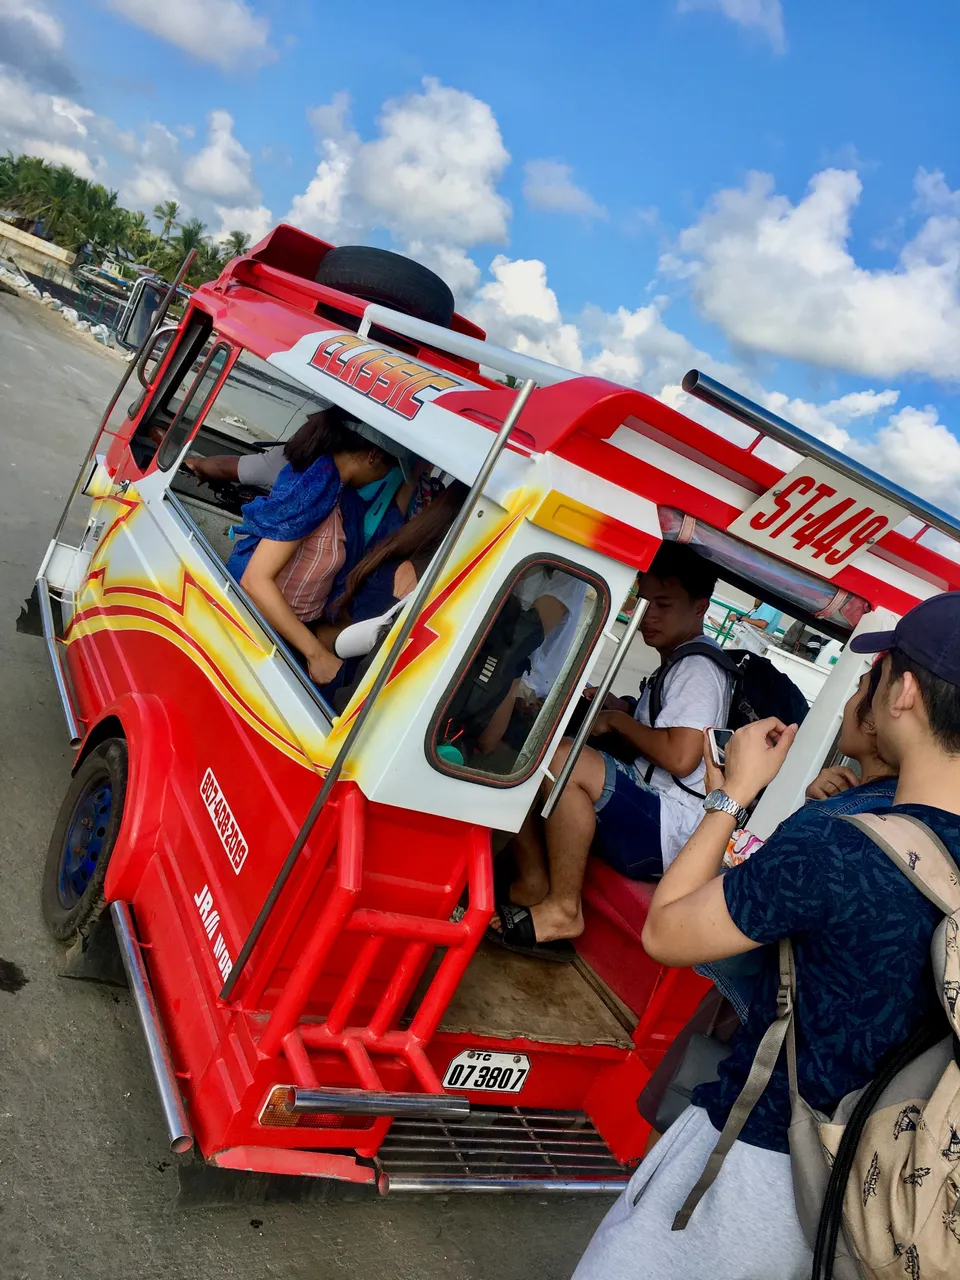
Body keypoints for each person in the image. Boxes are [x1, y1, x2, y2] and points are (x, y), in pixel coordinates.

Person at [572, 592, 960, 1280]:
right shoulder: (859, 830)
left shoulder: (837, 850)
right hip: (892, 1191)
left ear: (903, 692)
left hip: (758, 1167)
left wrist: (733, 795)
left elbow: (668, 931)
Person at [491, 543, 732, 960]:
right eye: (644, 601)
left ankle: (564, 908)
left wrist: (619, 722)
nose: (649, 615)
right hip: (653, 813)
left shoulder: (698, 669)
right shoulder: (676, 663)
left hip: (671, 830)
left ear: (700, 608)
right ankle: (532, 883)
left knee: (561, 758)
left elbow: (681, 757)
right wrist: (621, 709)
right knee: (536, 747)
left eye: (663, 604)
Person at [227, 409, 394, 684]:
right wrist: (316, 655)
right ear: (372, 456)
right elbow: (255, 581)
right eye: (388, 468)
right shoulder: (313, 489)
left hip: (289, 629)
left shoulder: (338, 491)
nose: (383, 477)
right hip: (259, 628)